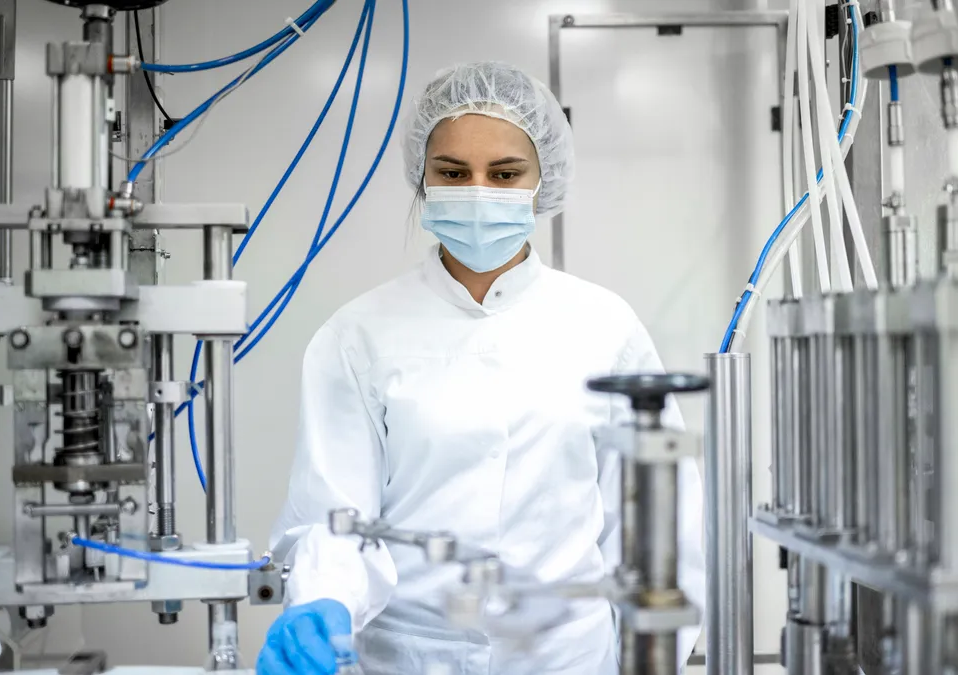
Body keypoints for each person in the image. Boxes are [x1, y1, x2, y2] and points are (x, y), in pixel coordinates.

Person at [257, 61, 706, 675]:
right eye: (452, 172)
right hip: (406, 659)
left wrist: (653, 660)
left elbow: (658, 529)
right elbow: (335, 516)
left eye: (504, 173)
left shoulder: (604, 327)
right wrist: (322, 601)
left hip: (568, 660)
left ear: (541, 181)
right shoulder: (358, 335)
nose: (478, 191)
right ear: (423, 178)